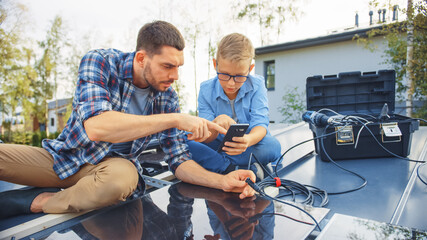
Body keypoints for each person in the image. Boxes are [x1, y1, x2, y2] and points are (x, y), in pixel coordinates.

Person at [0, 21, 256, 219]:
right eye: (168, 66)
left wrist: (222, 181)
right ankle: (74, 194)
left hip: (112, 171)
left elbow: (180, 161)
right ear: (142, 58)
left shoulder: (167, 98)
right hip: (66, 158)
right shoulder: (99, 62)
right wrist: (174, 119)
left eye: (178, 67)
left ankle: (39, 201)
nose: (175, 76)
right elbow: (97, 126)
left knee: (123, 180)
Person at [186, 33, 282, 180]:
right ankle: (237, 166)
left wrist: (248, 140)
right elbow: (207, 137)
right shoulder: (206, 90)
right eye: (224, 74)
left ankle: (221, 165)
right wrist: (214, 124)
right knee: (185, 143)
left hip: (249, 144)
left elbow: (261, 125)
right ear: (215, 64)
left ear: (250, 69)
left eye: (239, 76)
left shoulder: (257, 85)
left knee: (273, 146)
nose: (231, 83)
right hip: (218, 144)